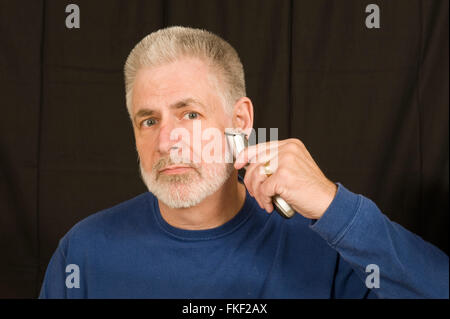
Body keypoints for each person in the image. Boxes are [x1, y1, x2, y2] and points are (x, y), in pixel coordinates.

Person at [39, 26, 448, 299]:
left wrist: (333, 205)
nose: (167, 141)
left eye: (190, 114)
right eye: (149, 120)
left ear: (241, 121)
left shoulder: (324, 243)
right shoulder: (84, 252)